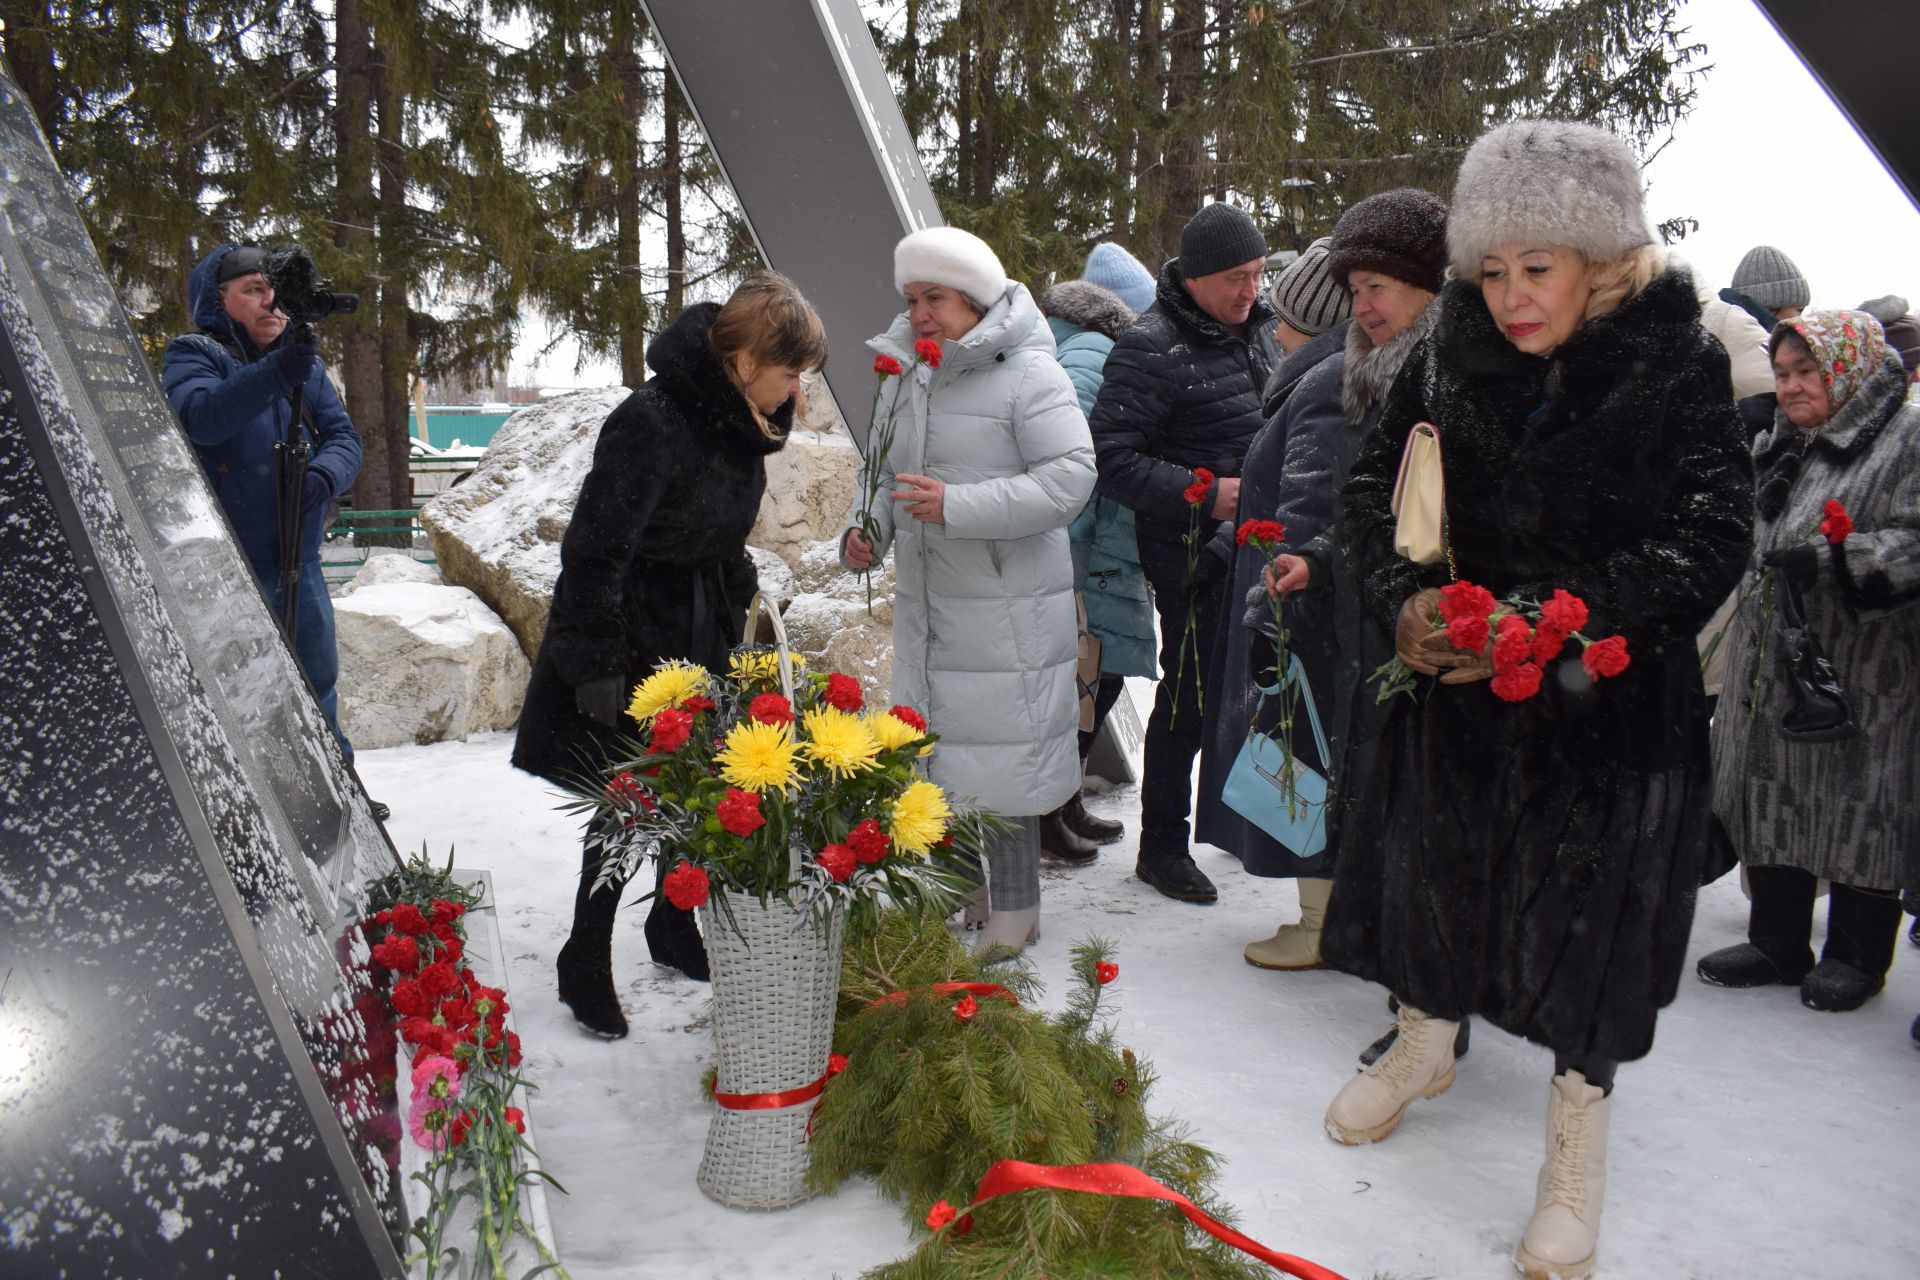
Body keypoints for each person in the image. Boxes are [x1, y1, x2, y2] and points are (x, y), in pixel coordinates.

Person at [1315, 120, 1753, 1280]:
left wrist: (1571, 615)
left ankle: (1574, 1149)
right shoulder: (1445, 349)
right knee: (1431, 879)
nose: (1511, 296)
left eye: (1538, 268)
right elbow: (1370, 491)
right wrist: (1406, 597)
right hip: (1455, 696)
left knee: (1586, 936)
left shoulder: (1678, 358)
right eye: (1492, 268)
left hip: (1607, 717)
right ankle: (1423, 1041)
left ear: (1601, 257)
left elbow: (1713, 536)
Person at [513, 272, 828, 1039]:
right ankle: (583, 954)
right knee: (626, 804)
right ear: (747, 361)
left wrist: (744, 595)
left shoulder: (739, 420)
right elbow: (594, 549)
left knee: (691, 795)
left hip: (700, 628)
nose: (797, 391)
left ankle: (672, 927)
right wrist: (593, 661)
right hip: (631, 633)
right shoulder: (652, 421)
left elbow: (718, 533)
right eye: (791, 372)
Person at [840, 227, 1096, 954]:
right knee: (940, 761)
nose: (920, 312)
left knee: (1003, 768)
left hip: (1005, 609)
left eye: (936, 298)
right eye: (911, 298)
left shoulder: (1028, 373)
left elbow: (1070, 479)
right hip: (931, 611)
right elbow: (880, 477)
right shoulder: (899, 375)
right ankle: (963, 895)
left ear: (976, 301)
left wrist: (959, 505)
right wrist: (867, 533)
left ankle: (1017, 912)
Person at [1212, 190, 1446, 974]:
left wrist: (1298, 565)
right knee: (1330, 760)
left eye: (1376, 288)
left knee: (1320, 760)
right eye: (1354, 292)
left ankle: (1326, 922)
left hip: (1350, 615)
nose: (1363, 307)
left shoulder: (1362, 377)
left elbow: (1322, 493)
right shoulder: (1380, 363)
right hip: (1351, 599)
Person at [1700, 309, 1920, 1014]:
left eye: (1809, 372)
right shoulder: (1781, 443)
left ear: (1848, 370)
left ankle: (1856, 955)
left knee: (1862, 802)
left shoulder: (1907, 440)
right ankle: (1777, 941)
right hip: (1771, 661)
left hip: (1867, 669)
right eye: (1786, 373)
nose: (1792, 387)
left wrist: (1839, 559)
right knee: (1769, 791)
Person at [1088, 202, 1278, 904]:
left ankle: (1246, 826)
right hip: (1193, 555)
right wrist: (1209, 494)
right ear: (1194, 278)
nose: (1250, 289)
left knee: (1258, 689)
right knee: (1190, 701)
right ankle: (1163, 846)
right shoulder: (1150, 346)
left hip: (1259, 549)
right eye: (1235, 276)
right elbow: (1110, 460)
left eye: (1257, 273)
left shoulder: (1259, 332)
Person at [163, 245, 367, 771]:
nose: (269, 303)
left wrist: (323, 476)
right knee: (241, 695)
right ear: (219, 297)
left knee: (319, 685)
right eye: (253, 290)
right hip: (228, 568)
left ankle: (341, 793)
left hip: (302, 561)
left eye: (272, 291)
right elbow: (204, 418)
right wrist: (281, 369)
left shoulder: (305, 363)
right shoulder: (195, 354)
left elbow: (344, 437)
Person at [1042, 248, 1158, 860]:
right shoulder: (1096, 354)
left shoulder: (1077, 347)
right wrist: (1074, 557)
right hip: (1088, 553)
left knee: (1092, 678)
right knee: (1086, 678)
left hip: (1095, 548)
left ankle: (1062, 804)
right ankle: (1050, 813)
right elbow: (1077, 461)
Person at [1726, 244, 1810, 328]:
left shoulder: (1723, 329)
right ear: (1773, 308)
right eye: (1799, 310)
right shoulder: (1764, 339)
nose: (1802, 320)